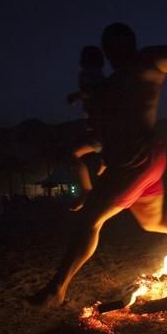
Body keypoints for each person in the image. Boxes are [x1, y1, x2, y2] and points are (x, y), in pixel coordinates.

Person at [28, 23, 167, 307]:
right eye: (107, 49)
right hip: (141, 159)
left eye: (112, 46)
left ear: (125, 44)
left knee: (90, 220)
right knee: (154, 222)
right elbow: (109, 123)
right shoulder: (115, 80)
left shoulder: (147, 61)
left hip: (136, 160)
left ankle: (56, 288)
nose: (109, 54)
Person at [66, 46, 107, 211]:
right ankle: (98, 190)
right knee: (102, 163)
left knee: (74, 154)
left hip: (100, 127)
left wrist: (76, 96)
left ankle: (87, 192)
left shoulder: (88, 75)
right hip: (102, 127)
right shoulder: (101, 77)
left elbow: (92, 91)